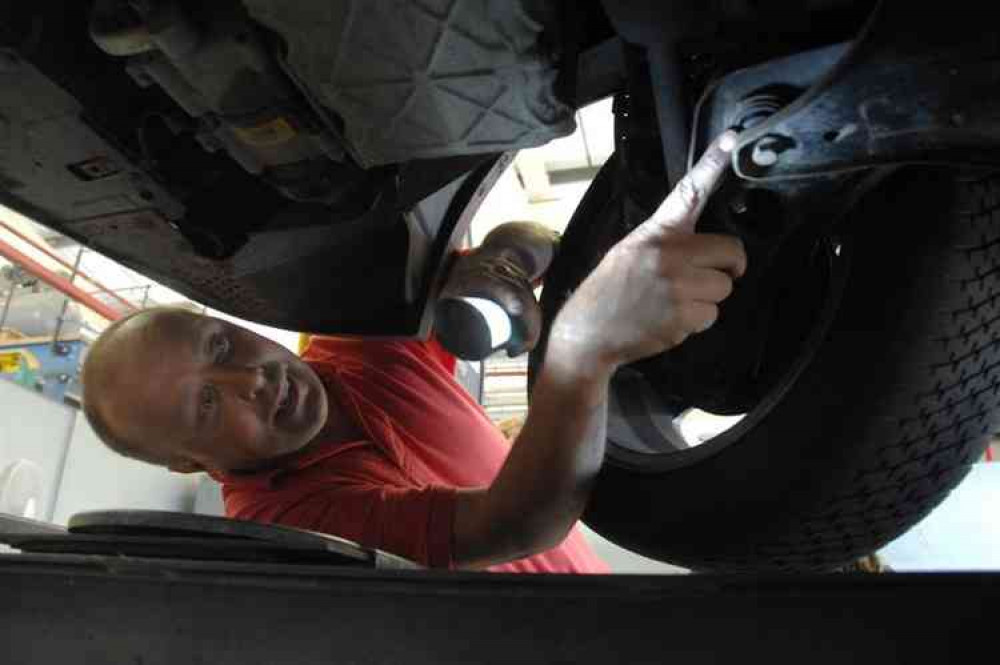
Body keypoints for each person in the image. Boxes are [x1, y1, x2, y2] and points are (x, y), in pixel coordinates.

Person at [81, 132, 746, 572]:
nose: (249, 377)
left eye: (221, 344)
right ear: (187, 461)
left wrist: (502, 260)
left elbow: (534, 237)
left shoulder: (355, 345)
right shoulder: (288, 525)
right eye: (204, 402)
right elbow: (511, 525)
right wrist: (582, 348)